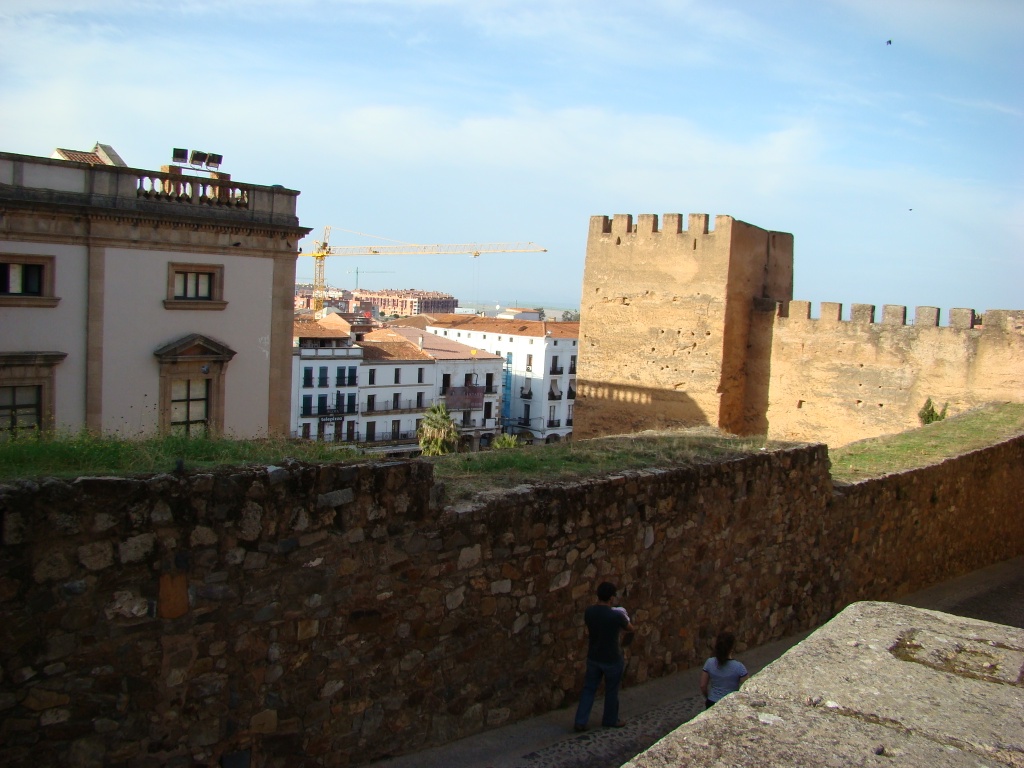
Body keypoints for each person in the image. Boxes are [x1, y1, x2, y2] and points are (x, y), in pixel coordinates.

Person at [573, 581, 636, 732]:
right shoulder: (616, 616)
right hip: (612, 657)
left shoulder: (590, 612)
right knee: (612, 690)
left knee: (589, 688)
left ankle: (580, 720)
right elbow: (630, 628)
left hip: (594, 655)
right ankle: (610, 719)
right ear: (611, 598)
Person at [699, 631, 748, 708]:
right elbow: (746, 688)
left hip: (712, 701)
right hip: (731, 703)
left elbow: (703, 685)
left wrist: (708, 697)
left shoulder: (709, 663)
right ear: (732, 647)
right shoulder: (739, 667)